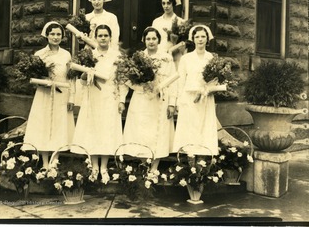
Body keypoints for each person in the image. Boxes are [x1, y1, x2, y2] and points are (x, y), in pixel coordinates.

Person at [71, 24, 127, 183]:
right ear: (95, 37)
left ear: (110, 38)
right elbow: (81, 79)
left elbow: (122, 80)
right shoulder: (89, 55)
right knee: (93, 130)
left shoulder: (117, 56)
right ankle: (94, 166)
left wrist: (122, 100)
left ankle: (104, 167)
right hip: (93, 97)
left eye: (105, 35)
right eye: (100, 35)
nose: (103, 38)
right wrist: (86, 74)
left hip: (110, 97)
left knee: (107, 130)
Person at [123, 27, 177, 172]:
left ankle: (154, 167)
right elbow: (128, 80)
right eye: (148, 39)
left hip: (159, 100)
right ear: (143, 40)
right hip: (142, 99)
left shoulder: (166, 58)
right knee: (141, 131)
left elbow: (173, 81)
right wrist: (143, 87)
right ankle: (144, 164)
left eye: (154, 38)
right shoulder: (138, 58)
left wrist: (172, 103)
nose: (151, 41)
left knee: (157, 131)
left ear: (159, 40)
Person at [23, 21, 76, 169]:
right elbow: (32, 76)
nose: (55, 37)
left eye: (58, 34)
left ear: (62, 36)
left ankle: (55, 159)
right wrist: (43, 79)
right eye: (52, 34)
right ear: (47, 35)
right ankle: (45, 162)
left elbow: (71, 77)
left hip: (62, 95)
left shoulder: (66, 54)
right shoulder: (40, 54)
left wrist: (72, 97)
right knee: (43, 126)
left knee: (60, 125)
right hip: (44, 95)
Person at [172, 24, 219, 156]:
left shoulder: (211, 58)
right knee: (190, 129)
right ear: (193, 39)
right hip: (189, 97)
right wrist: (179, 101)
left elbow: (216, 80)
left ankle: (202, 163)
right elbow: (180, 81)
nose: (200, 39)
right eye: (197, 37)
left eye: (203, 36)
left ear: (207, 39)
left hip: (205, 97)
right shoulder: (186, 58)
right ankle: (190, 162)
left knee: (203, 129)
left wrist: (207, 89)